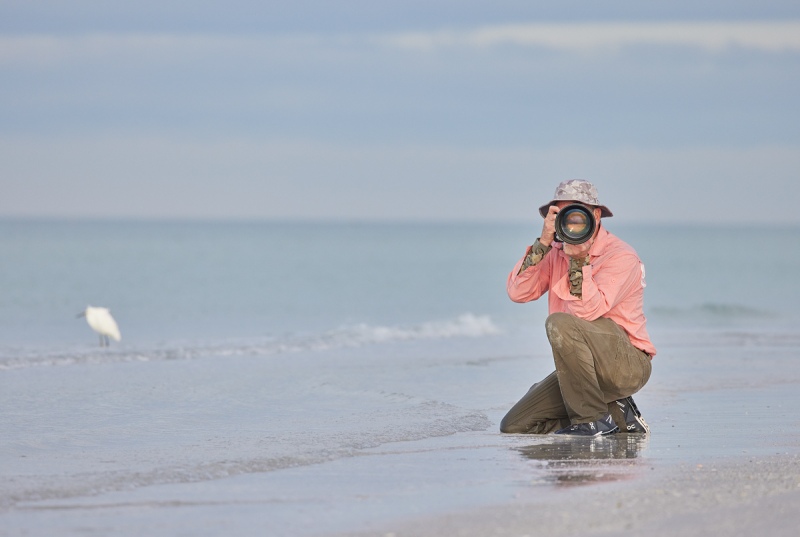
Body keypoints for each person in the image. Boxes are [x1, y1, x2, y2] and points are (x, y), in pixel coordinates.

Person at [500, 179, 655, 436]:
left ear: (595, 215)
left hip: (626, 365)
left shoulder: (620, 256)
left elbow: (587, 313)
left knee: (559, 323)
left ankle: (593, 420)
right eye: (564, 215)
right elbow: (518, 292)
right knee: (515, 425)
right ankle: (618, 416)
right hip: (583, 371)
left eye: (578, 214)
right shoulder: (555, 251)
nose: (572, 223)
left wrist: (579, 261)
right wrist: (543, 243)